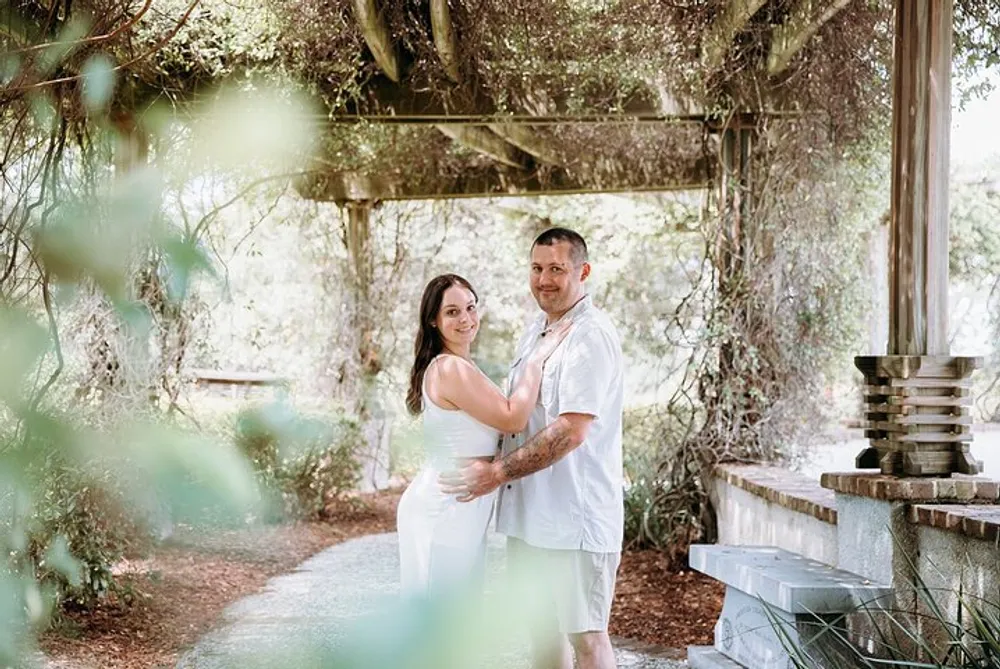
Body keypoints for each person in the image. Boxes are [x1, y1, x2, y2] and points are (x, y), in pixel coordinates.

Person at [440, 228, 624, 669]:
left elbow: (571, 430)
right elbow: (517, 416)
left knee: (587, 640)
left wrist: (498, 473)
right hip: (530, 520)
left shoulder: (589, 336)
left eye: (557, 269)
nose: (544, 279)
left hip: (574, 520)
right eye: (537, 268)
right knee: (541, 635)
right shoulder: (536, 331)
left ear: (583, 271)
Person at [396, 273, 571, 597]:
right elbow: (512, 418)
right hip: (446, 504)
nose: (466, 319)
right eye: (452, 312)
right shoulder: (449, 368)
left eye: (471, 307)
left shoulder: (462, 366)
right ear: (433, 320)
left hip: (466, 501)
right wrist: (536, 360)